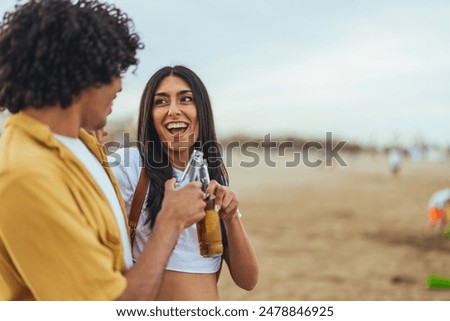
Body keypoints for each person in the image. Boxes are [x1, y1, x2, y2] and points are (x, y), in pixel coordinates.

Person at [0, 0, 206, 300]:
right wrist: (170, 221)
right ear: (84, 72)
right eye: (115, 69)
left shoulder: (80, 145)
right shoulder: (24, 176)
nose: (120, 86)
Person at [110, 65, 259, 300]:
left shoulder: (209, 177)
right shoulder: (130, 164)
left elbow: (248, 280)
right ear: (149, 115)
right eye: (160, 102)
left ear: (202, 110)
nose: (173, 110)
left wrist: (231, 219)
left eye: (185, 99)